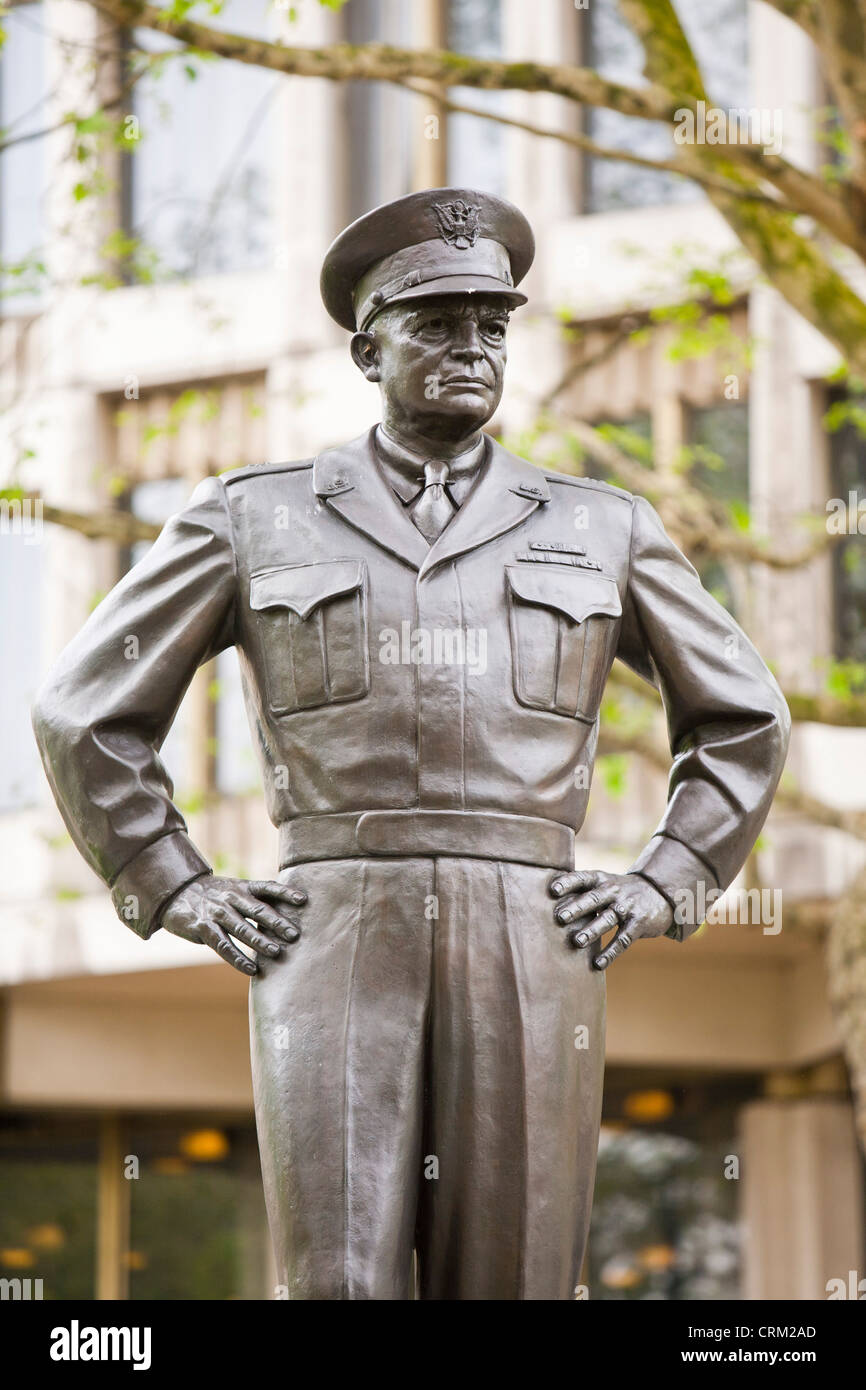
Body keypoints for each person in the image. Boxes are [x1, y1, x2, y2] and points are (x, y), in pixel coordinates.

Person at [33, 188, 790, 1299]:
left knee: (518, 1269)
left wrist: (665, 879)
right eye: (436, 323)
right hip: (332, 919)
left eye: (492, 325)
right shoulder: (253, 516)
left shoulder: (600, 525)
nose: (471, 347)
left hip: (534, 929)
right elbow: (83, 706)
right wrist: (171, 881)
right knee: (337, 1274)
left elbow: (743, 715)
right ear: (365, 347)